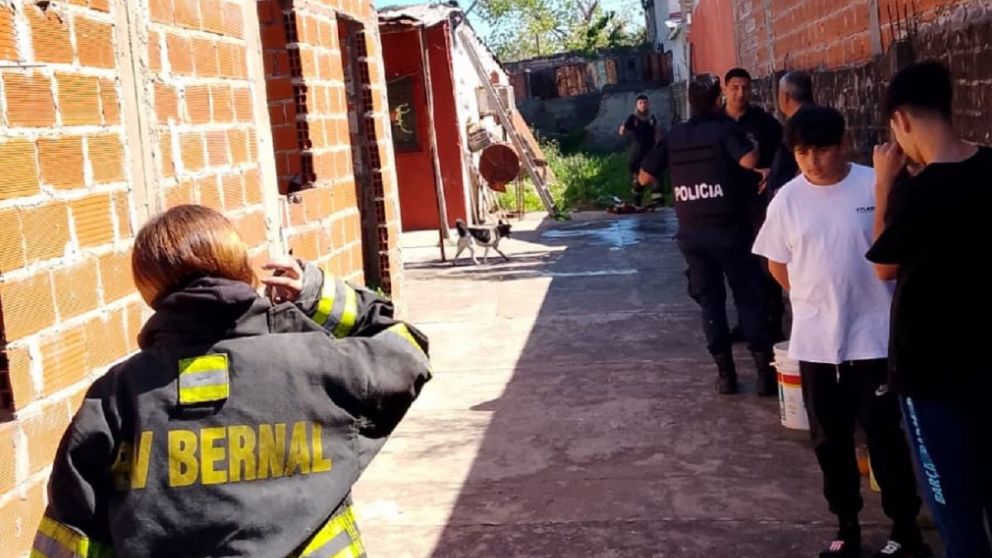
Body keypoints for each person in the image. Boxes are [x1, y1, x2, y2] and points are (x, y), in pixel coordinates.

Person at [31, 205, 432, 557]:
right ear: (241, 268)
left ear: (149, 291)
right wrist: (319, 293)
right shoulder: (315, 365)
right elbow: (408, 348)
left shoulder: (115, 398)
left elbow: (71, 537)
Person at [753, 107, 928, 558]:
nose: (813, 161)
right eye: (802, 152)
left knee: (883, 436)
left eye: (822, 149)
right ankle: (846, 524)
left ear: (843, 143)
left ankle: (904, 528)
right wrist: (816, 301)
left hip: (873, 338)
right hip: (816, 343)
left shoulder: (876, 183)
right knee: (830, 440)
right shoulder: (787, 200)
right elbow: (778, 265)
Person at [867, 60, 992, 558]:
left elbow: (884, 266)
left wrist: (882, 188)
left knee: (955, 512)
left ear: (900, 121)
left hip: (930, 376)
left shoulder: (918, 195)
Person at [639, 74, 775, 396]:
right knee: (748, 297)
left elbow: (645, 177)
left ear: (689, 101)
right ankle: (763, 375)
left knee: (710, 304)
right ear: (718, 99)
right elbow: (749, 159)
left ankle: (726, 376)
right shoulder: (723, 131)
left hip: (693, 235)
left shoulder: (675, 136)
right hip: (730, 230)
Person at [723, 67, 786, 343]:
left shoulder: (763, 123)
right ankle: (746, 321)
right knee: (738, 267)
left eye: (745, 87)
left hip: (759, 204)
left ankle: (773, 322)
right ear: (725, 89)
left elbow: (782, 154)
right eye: (735, 87)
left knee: (765, 264)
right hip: (727, 205)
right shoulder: (716, 124)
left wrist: (772, 173)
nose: (741, 93)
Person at [766, 71, 815, 196]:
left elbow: (807, 162)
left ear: (785, 97)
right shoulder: (802, 119)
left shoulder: (802, 122)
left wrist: (789, 192)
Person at [619, 94, 660, 206]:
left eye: (645, 103)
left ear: (648, 104)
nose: (643, 105)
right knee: (638, 179)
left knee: (653, 176)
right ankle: (637, 202)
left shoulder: (651, 118)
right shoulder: (633, 118)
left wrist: (658, 144)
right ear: (637, 105)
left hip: (650, 152)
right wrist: (623, 129)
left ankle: (657, 202)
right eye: (640, 103)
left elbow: (656, 131)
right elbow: (623, 131)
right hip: (637, 154)